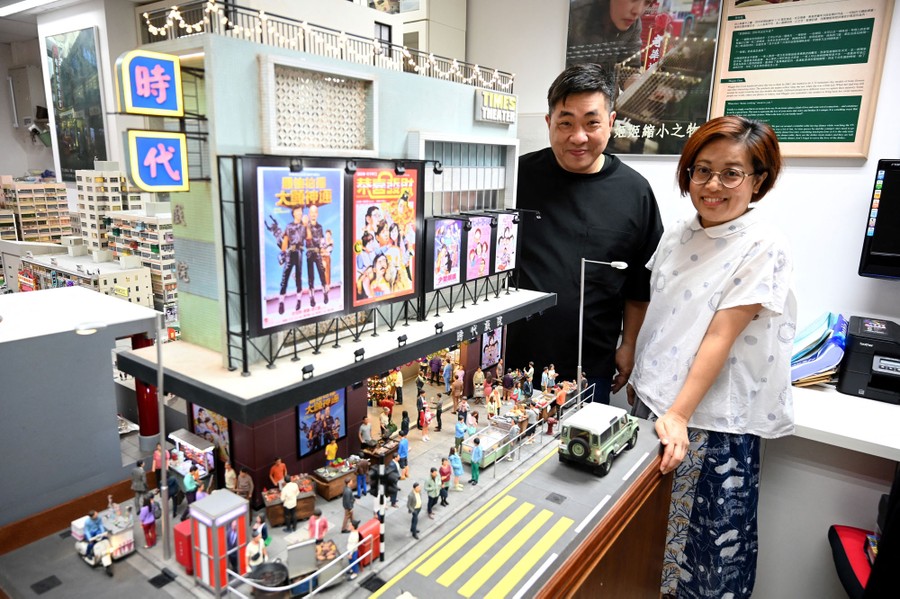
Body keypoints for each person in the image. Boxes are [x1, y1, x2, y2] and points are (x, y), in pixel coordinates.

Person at [629, 115, 795, 599]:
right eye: (702, 170)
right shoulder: (681, 231)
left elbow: (720, 335)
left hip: (708, 422)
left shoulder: (764, 245)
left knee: (702, 566)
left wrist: (679, 413)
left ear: (758, 180)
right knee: (643, 549)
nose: (713, 185)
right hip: (658, 408)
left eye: (731, 173)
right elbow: (664, 314)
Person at [505, 62, 663, 405]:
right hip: (510, 360)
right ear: (549, 124)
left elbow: (640, 284)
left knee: (582, 454)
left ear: (611, 122)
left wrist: (629, 345)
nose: (578, 136)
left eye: (592, 122)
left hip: (591, 366)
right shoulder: (514, 178)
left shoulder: (635, 193)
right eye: (565, 123)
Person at [566, 0, 650, 69]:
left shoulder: (634, 24)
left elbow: (631, 67)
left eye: (647, 2)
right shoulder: (571, 17)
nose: (638, 11)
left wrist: (635, 81)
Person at [278, 205, 307, 314]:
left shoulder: (304, 226)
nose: (300, 213)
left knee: (298, 277)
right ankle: (281, 302)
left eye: (301, 211)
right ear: (293, 213)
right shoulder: (289, 226)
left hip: (299, 252)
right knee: (285, 277)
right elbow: (285, 241)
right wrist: (282, 253)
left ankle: (299, 300)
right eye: (298, 211)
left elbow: (308, 238)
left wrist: (305, 224)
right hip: (290, 253)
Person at [304, 204, 329, 307]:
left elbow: (323, 241)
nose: (313, 214)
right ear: (309, 214)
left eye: (315, 212)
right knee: (311, 277)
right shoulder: (305, 226)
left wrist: (323, 251)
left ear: (317, 214)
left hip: (318, 253)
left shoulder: (320, 227)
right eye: (311, 212)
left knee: (322, 275)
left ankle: (325, 294)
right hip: (309, 253)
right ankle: (312, 298)